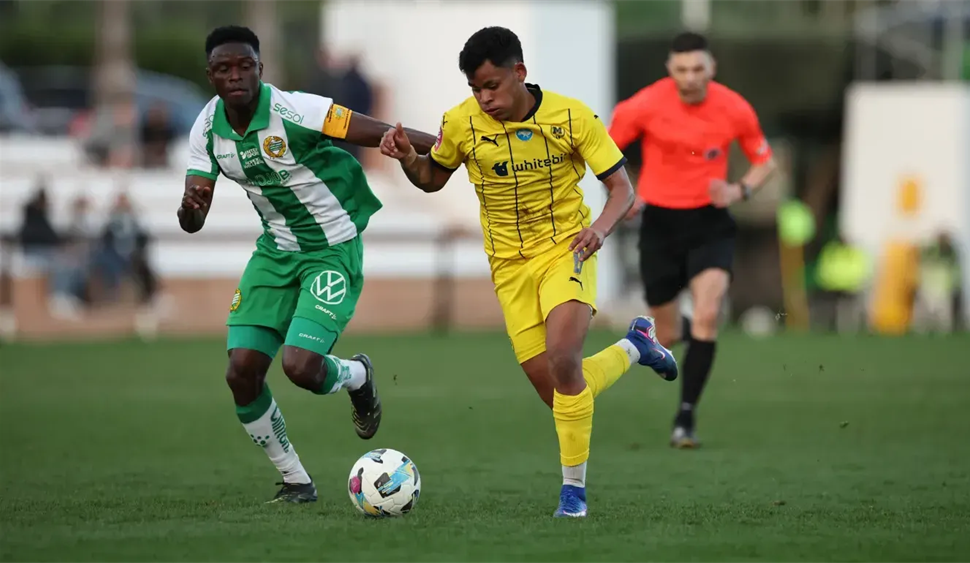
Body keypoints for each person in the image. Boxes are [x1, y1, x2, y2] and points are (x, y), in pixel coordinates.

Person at [379, 26, 678, 518]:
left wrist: (599, 230)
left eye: (492, 85)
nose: (484, 98)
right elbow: (432, 178)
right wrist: (411, 158)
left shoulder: (572, 117)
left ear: (519, 72)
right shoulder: (461, 123)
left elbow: (623, 189)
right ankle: (635, 345)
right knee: (559, 391)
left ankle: (573, 494)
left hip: (568, 249)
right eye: (475, 88)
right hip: (508, 266)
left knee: (564, 359)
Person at [177, 26, 437, 504]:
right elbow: (193, 219)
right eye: (223, 68)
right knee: (240, 372)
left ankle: (357, 376)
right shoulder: (206, 129)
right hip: (275, 251)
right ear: (210, 75)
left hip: (331, 249)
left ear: (260, 69)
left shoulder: (295, 110)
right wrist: (189, 208)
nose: (235, 75)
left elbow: (377, 131)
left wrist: (443, 147)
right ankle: (296, 480)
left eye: (245, 66)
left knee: (300, 367)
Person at [608, 32, 777, 449]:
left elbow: (764, 161)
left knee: (707, 314)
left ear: (711, 68)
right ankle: (668, 337)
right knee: (666, 333)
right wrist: (624, 195)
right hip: (659, 224)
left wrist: (739, 190)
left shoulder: (733, 107)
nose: (690, 77)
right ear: (670, 69)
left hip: (710, 223)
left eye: (698, 68)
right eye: (682, 69)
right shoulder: (643, 104)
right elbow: (604, 153)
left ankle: (685, 418)